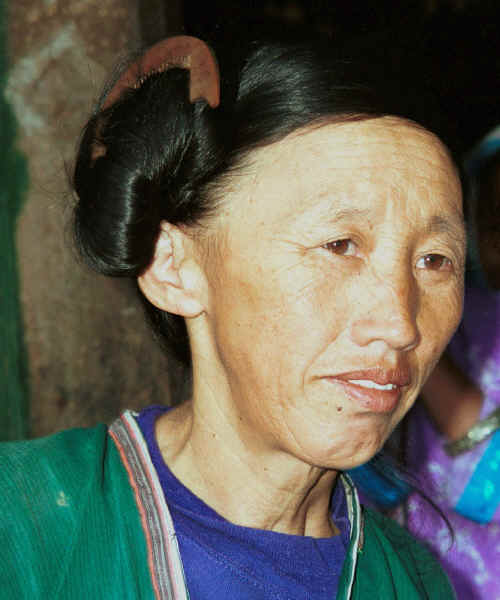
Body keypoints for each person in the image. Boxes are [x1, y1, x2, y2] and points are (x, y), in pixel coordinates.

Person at [0, 34, 465, 599]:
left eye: (435, 260)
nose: (400, 323)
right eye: (340, 245)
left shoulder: (413, 584)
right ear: (175, 267)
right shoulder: (23, 525)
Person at [388, 128, 500, 599]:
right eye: (493, 219)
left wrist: (412, 328)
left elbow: (488, 482)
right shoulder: (458, 307)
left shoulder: (423, 316)